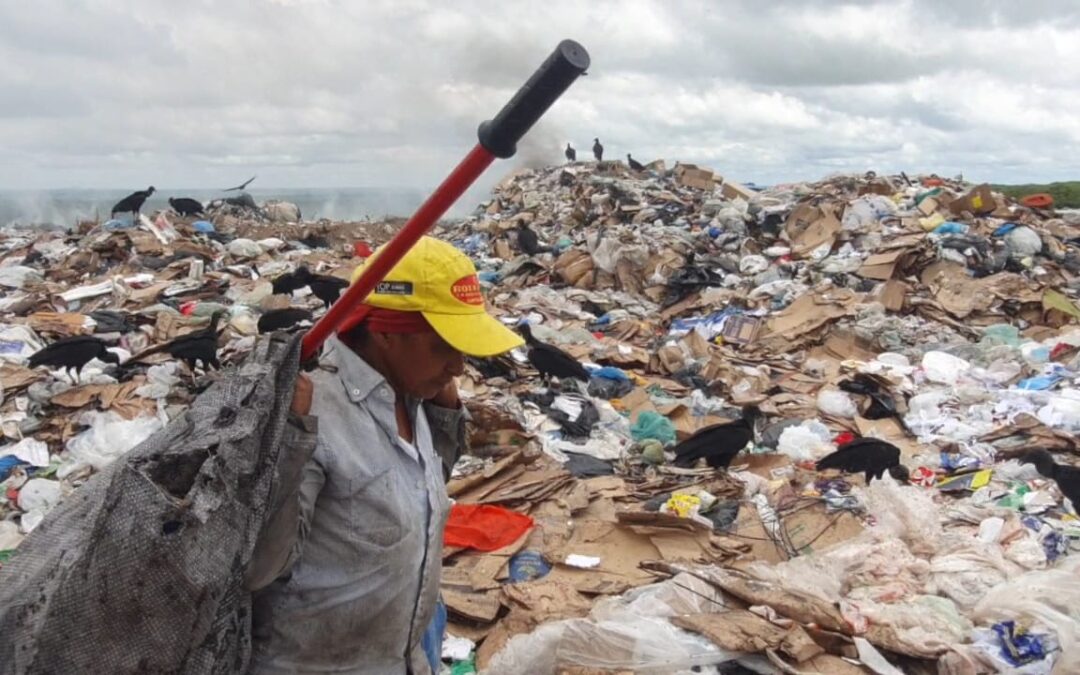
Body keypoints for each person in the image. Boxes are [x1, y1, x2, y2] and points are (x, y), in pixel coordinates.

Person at [247, 236, 524, 674]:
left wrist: (446, 415)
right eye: (443, 346)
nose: (458, 366)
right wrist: (290, 442)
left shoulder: (416, 397)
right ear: (387, 332)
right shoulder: (309, 410)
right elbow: (258, 568)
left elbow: (417, 498)